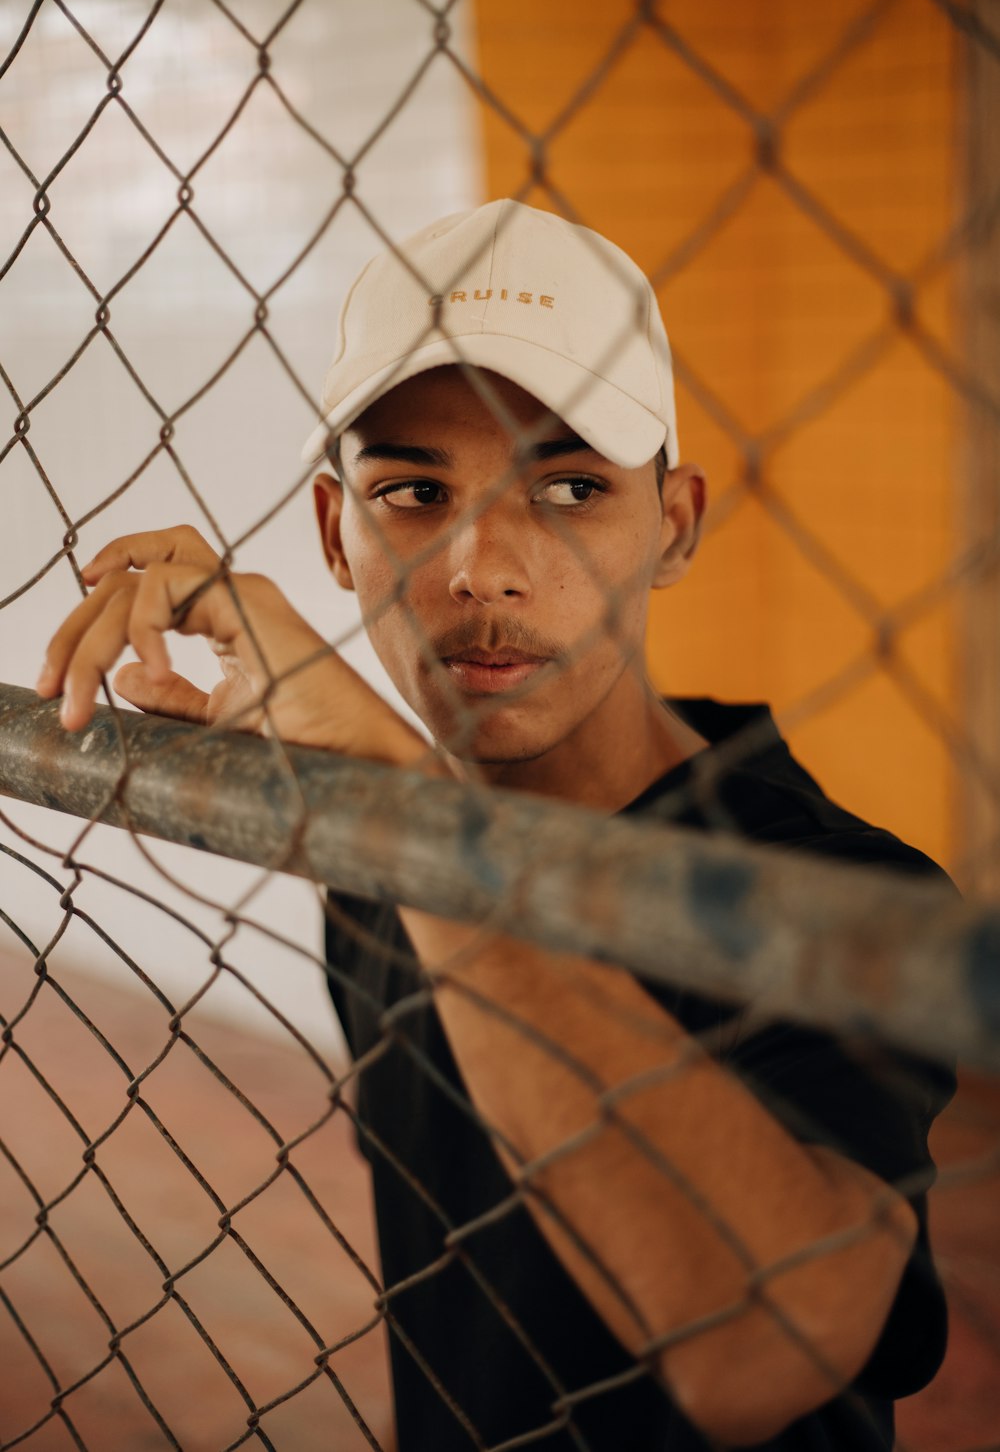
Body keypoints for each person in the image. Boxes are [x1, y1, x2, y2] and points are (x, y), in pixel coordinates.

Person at [37, 199, 954, 1450]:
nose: (484, 567)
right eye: (414, 491)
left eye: (571, 486)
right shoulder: (363, 828)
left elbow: (761, 1357)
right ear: (332, 534)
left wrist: (412, 816)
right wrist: (396, 812)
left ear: (672, 527)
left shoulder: (838, 889)